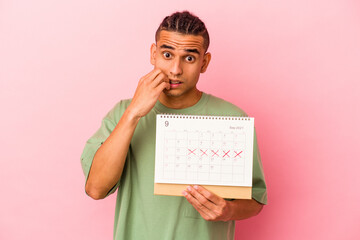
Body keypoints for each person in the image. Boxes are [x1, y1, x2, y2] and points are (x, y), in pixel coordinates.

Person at [81, 11, 267, 240]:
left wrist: (230, 211)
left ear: (204, 62)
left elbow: (256, 199)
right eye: (167, 54)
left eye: (189, 58)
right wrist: (133, 114)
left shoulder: (232, 118)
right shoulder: (122, 113)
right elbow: (96, 189)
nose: (175, 69)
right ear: (153, 54)